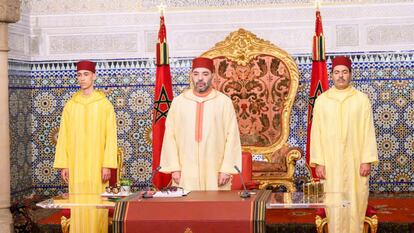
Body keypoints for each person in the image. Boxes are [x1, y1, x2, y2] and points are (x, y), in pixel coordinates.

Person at [310, 56, 379, 233]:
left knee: (355, 202)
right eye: (337, 72)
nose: (341, 76)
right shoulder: (322, 100)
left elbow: (368, 131)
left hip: (356, 162)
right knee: (333, 203)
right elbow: (316, 133)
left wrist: (367, 160)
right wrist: (319, 162)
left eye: (344, 72)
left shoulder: (361, 99)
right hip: (330, 162)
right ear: (331, 75)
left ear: (350, 74)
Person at [54, 60, 118, 233]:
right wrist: (65, 164)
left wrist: (107, 164)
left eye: (86, 74)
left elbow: (110, 136)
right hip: (76, 165)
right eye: (79, 75)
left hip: (97, 166)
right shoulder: (70, 105)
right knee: (79, 205)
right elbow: (64, 136)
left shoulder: (104, 105)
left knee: (96, 206)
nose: (82, 78)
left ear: (94, 76)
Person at [160, 57, 242, 191]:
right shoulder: (179, 102)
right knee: (186, 209)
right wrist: (174, 168)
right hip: (185, 170)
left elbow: (232, 137)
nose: (200, 78)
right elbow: (169, 137)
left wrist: (226, 169)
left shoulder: (223, 102)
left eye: (205, 74)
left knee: (215, 209)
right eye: (196, 74)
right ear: (191, 76)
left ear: (213, 76)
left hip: (215, 171)